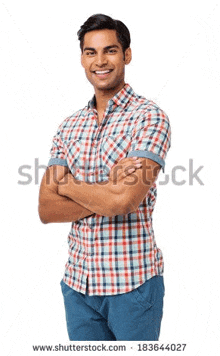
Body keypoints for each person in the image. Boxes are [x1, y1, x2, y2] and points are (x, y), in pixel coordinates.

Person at [38, 13, 171, 341]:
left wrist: (68, 185)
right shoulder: (68, 126)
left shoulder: (149, 118)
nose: (100, 61)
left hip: (133, 287)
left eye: (110, 51)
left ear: (126, 55)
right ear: (82, 58)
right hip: (77, 287)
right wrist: (106, 190)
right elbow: (46, 208)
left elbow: (124, 201)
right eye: (90, 52)